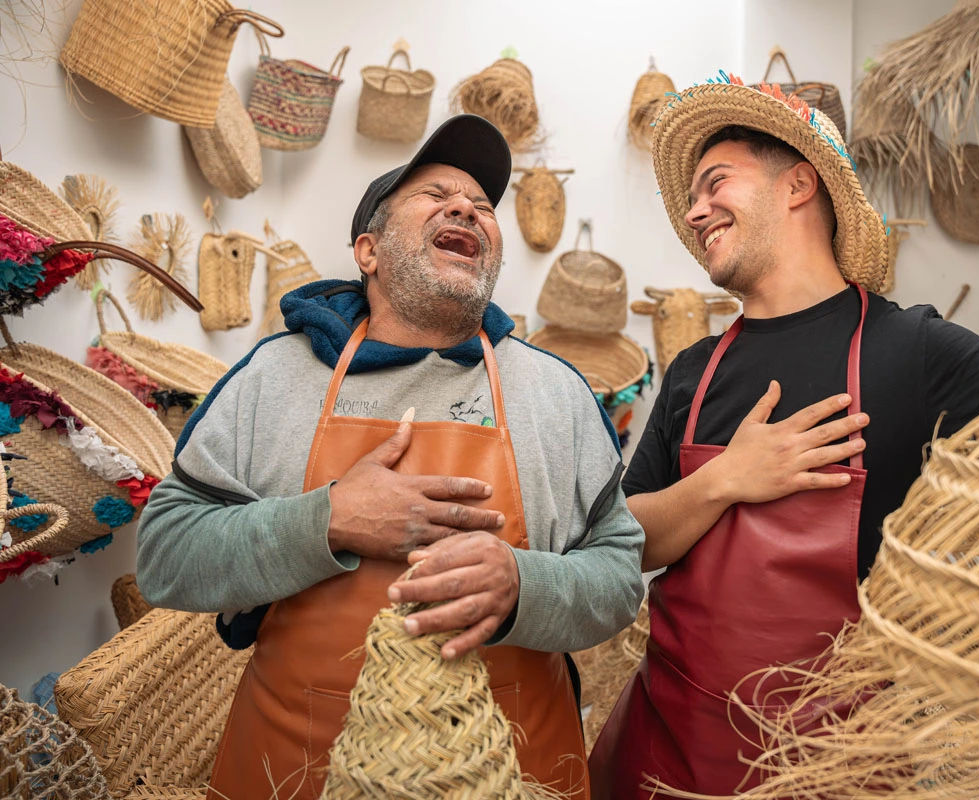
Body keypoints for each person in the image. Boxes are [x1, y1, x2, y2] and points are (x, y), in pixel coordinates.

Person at [589, 77, 979, 797]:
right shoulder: (694, 370)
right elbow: (627, 543)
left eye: (715, 182)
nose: (693, 210)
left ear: (799, 184)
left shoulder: (915, 350)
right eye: (689, 196)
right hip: (667, 752)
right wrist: (725, 478)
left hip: (840, 765)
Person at [136, 114, 644, 800]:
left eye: (483, 207)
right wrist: (328, 520)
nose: (465, 206)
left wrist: (524, 585)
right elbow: (166, 558)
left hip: (514, 771)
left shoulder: (554, 392)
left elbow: (617, 579)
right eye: (435, 194)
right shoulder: (274, 379)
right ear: (368, 251)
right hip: (297, 768)